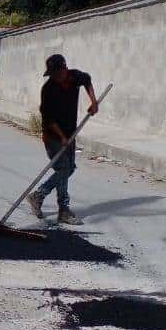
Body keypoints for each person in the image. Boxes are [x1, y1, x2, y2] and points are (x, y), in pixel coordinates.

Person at [28, 54, 98, 225]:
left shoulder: (75, 77)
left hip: (70, 133)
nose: (53, 77)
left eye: (56, 73)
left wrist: (94, 102)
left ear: (64, 70)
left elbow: (87, 80)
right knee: (65, 168)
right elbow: (48, 119)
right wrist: (62, 137)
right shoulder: (48, 89)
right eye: (51, 74)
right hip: (52, 136)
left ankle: (48, 202)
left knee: (68, 169)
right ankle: (57, 205)